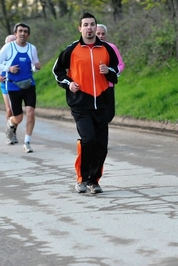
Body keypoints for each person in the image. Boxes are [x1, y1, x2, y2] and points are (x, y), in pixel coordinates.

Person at [52, 12, 119, 194]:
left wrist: (108, 71)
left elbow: (116, 71)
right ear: (80, 28)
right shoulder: (71, 50)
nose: (89, 28)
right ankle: (82, 177)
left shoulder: (106, 49)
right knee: (88, 139)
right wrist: (69, 84)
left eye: (92, 25)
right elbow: (57, 71)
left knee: (101, 146)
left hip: (102, 103)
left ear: (96, 28)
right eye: (86, 25)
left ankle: (94, 181)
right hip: (80, 103)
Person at [0, 23, 41, 153]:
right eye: (20, 31)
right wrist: (9, 69)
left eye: (25, 31)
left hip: (29, 85)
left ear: (28, 34)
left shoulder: (32, 48)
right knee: (18, 118)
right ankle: (11, 123)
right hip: (13, 86)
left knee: (31, 113)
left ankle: (27, 142)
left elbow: (33, 66)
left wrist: (36, 67)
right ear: (15, 33)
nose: (23, 33)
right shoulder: (8, 47)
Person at [0, 34, 19, 144]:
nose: (12, 43)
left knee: (16, 111)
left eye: (14, 41)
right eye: (10, 41)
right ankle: (9, 133)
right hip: (5, 83)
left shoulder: (19, 52)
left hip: (16, 84)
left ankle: (14, 131)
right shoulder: (1, 54)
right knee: (9, 109)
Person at [96, 24, 125, 122]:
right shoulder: (86, 49)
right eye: (98, 33)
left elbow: (121, 65)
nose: (100, 36)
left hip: (108, 85)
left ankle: (100, 135)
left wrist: (109, 71)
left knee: (108, 114)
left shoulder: (111, 47)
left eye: (103, 34)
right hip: (92, 86)